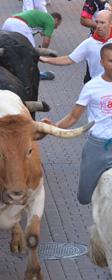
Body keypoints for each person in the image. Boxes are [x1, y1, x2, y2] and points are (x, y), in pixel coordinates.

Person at [42, 43, 112, 205]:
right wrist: (52, 127)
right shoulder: (91, 87)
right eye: (111, 61)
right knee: (84, 197)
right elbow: (73, 117)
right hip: (98, 146)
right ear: (101, 62)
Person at [40, 10, 112, 82]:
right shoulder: (89, 43)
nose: (98, 26)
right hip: (98, 87)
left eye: (102, 23)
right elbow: (69, 59)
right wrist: (46, 60)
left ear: (110, 23)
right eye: (97, 22)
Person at [2, 10, 62, 80]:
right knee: (32, 53)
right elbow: (46, 41)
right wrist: (43, 52)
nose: (56, 27)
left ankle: (6, 70)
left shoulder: (39, 19)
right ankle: (34, 75)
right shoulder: (51, 20)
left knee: (8, 48)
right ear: (56, 19)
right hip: (20, 25)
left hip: (9, 22)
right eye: (57, 24)